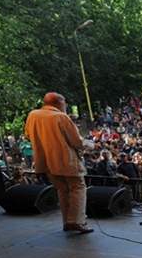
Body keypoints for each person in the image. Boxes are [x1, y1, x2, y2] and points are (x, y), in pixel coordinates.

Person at [25, 92, 93, 234]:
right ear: (59, 103)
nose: (66, 105)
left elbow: (27, 135)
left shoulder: (33, 115)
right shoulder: (61, 117)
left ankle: (67, 222)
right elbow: (77, 142)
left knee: (62, 190)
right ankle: (76, 221)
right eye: (65, 103)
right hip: (66, 161)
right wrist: (90, 144)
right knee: (78, 188)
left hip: (46, 162)